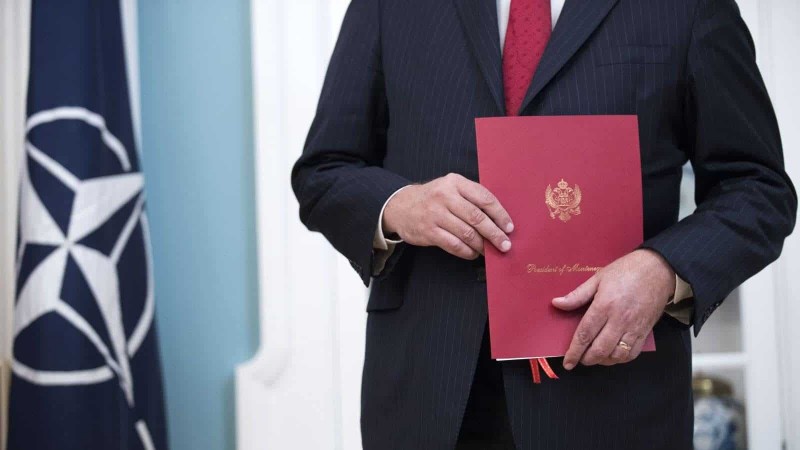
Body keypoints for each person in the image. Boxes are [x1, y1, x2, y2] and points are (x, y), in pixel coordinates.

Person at [291, 0, 797, 448]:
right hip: (429, 394)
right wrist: (401, 204)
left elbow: (758, 189)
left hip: (614, 398)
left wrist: (664, 270)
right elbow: (324, 171)